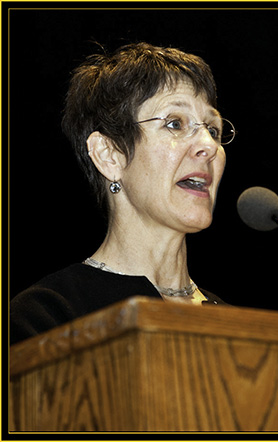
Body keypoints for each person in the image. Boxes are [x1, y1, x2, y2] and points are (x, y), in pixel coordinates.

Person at [10, 42, 235, 345]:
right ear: (109, 155)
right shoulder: (47, 318)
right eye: (175, 123)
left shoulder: (238, 324)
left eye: (214, 129)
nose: (208, 145)